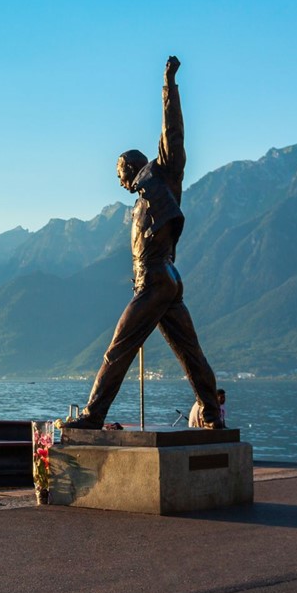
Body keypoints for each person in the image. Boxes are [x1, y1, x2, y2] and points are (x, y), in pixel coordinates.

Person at [72, 56, 223, 430]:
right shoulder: (143, 200)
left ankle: (93, 414)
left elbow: (173, 133)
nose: (118, 179)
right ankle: (210, 412)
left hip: (155, 281)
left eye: (119, 171)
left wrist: (168, 86)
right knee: (191, 353)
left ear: (131, 165)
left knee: (118, 349)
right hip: (166, 281)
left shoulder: (163, 177)